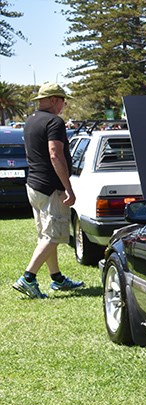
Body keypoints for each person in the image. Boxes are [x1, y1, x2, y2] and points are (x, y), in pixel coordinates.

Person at [13, 82, 83, 299]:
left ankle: (57, 279)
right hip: (50, 187)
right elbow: (55, 154)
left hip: (33, 185)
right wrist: (68, 188)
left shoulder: (31, 121)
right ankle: (28, 278)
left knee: (46, 235)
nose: (63, 105)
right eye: (62, 100)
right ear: (53, 99)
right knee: (53, 236)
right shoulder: (54, 122)